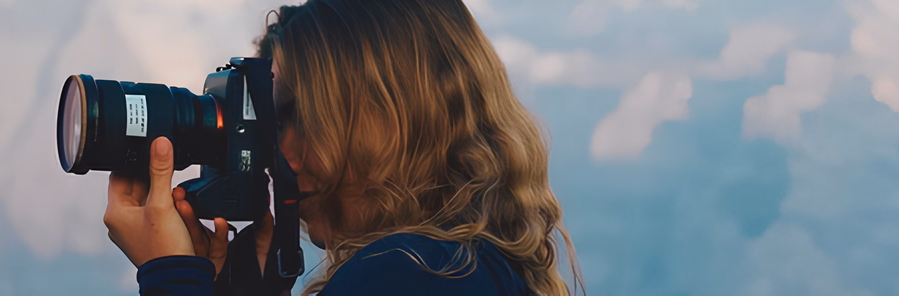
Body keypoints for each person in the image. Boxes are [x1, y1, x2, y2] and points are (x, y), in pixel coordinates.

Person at [101, 0, 584, 295]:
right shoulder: (464, 269)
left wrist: (170, 277)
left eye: (294, 115)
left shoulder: (403, 276)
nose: (278, 148)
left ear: (386, 121)